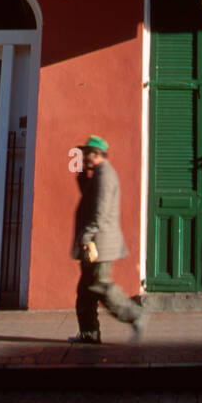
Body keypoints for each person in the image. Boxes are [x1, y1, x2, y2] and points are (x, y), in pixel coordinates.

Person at [70, 135, 146, 344]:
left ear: (97, 154)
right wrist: (82, 176)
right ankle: (89, 335)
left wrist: (86, 236)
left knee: (100, 286)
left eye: (87, 153)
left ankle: (133, 314)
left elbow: (100, 213)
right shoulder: (97, 175)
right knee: (85, 291)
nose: (84, 156)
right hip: (94, 243)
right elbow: (88, 198)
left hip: (99, 244)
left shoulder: (105, 176)